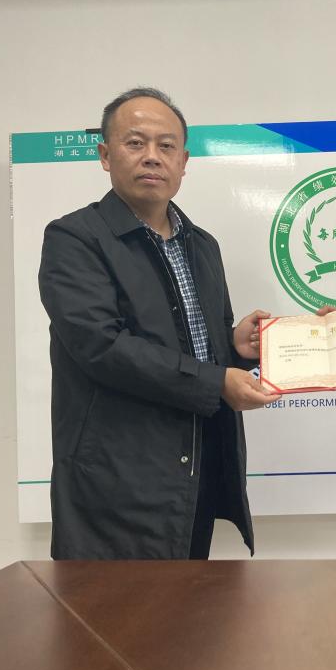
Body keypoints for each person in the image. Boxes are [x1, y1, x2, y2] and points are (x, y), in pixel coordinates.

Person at [38, 87, 279, 560]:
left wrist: (233, 346)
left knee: (191, 606)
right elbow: (102, 346)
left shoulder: (202, 245)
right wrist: (217, 382)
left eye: (166, 146)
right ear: (105, 155)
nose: (152, 156)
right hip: (115, 485)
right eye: (135, 143)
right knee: (113, 610)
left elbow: (193, 348)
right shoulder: (74, 239)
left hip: (193, 477)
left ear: (183, 162)